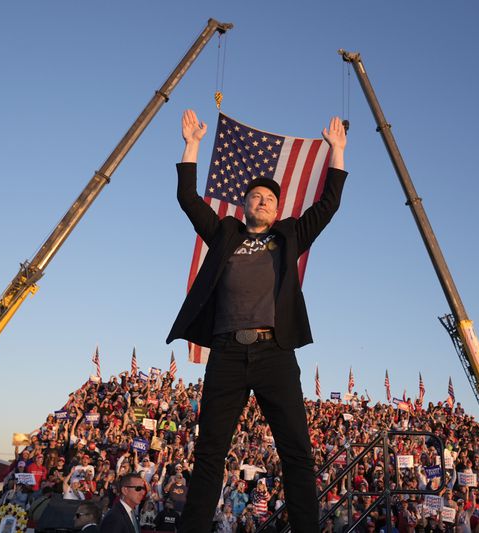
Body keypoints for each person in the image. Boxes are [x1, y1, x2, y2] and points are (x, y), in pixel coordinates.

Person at [168, 109, 348, 532]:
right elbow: (188, 201)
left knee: (296, 452)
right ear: (244, 205)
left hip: (274, 352)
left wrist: (337, 151)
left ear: (277, 208)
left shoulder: (289, 237)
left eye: (269, 198)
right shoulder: (226, 233)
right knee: (210, 452)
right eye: (255, 197)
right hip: (227, 352)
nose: (262, 200)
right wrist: (192, 145)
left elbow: (329, 204)